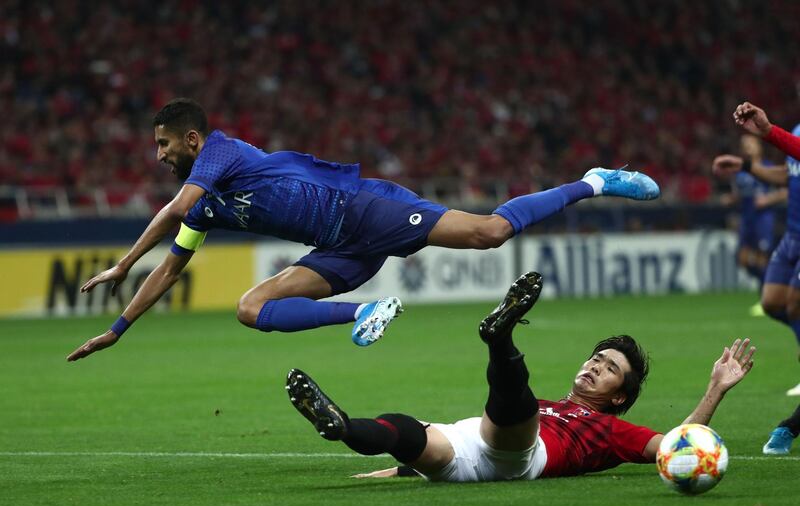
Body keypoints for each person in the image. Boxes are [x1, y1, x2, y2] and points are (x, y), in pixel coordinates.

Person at [67, 98, 660, 361]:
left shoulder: (218, 154)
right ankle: (365, 311)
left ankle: (594, 182)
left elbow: (172, 209)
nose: (159, 154)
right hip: (339, 248)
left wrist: (121, 264)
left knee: (489, 233)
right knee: (251, 307)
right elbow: (172, 266)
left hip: (365, 208)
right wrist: (119, 328)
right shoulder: (205, 209)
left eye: (164, 145)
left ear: (191, 140)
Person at [286, 272, 755, 482]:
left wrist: (715, 389)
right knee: (403, 430)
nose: (596, 366)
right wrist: (389, 471)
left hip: (524, 455)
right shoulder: (554, 402)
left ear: (619, 397)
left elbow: (679, 448)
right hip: (474, 442)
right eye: (597, 358)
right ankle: (341, 426)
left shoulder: (612, 431)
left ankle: (500, 336)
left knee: (518, 407)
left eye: (611, 369)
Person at [713, 101, 800, 455]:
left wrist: (766, 132)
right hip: (793, 234)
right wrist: (748, 165)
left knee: (796, 304)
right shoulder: (795, 131)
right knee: (773, 302)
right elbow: (787, 174)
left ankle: (790, 426)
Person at [715, 134, 785, 315]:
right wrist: (731, 199)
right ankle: (769, 293)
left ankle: (766, 301)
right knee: (743, 259)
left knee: (762, 259)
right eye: (744, 144)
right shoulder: (740, 173)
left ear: (759, 146)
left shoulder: (769, 168)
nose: (747, 147)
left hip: (763, 218)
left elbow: (786, 192)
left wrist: (768, 199)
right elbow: (741, 194)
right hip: (746, 219)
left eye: (751, 144)